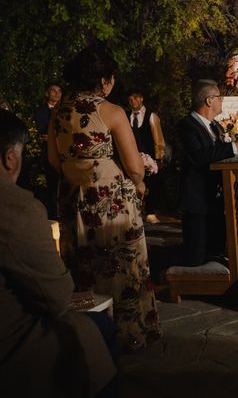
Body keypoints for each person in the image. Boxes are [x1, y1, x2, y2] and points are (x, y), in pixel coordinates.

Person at [49, 44, 161, 352]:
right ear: (104, 80)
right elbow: (134, 167)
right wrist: (138, 182)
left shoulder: (59, 111)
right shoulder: (111, 111)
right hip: (110, 203)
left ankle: (89, 334)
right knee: (123, 267)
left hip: (74, 201)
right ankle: (131, 335)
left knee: (82, 266)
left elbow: (55, 160)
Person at [0, 109, 117, 397]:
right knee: (97, 330)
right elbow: (57, 297)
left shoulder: (61, 115)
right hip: (12, 346)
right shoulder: (15, 209)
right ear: (10, 158)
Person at [178, 79, 238, 267]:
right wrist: (234, 147)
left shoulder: (215, 126)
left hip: (216, 197)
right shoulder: (187, 126)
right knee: (196, 255)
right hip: (197, 200)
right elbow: (199, 156)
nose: (222, 101)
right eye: (220, 97)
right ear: (209, 100)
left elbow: (222, 152)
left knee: (216, 250)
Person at [128, 89, 166, 224]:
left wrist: (159, 157)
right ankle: (135, 212)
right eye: (131, 98)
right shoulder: (127, 116)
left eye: (136, 97)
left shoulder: (150, 116)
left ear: (141, 98)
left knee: (152, 184)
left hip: (149, 157)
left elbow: (158, 137)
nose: (133, 101)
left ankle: (150, 212)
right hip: (133, 156)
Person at [34, 84, 63, 219]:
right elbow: (43, 134)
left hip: (65, 154)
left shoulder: (66, 110)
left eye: (59, 91)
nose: (57, 93)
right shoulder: (41, 111)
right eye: (53, 90)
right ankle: (53, 217)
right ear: (46, 93)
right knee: (52, 186)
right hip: (48, 154)